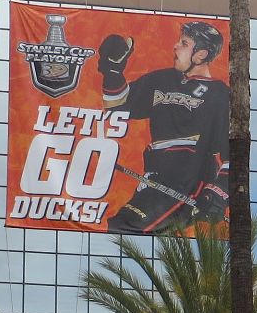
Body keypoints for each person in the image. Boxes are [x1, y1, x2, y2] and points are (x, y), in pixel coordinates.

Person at [97, 19, 231, 235]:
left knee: (122, 228)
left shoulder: (220, 95)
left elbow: (231, 154)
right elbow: (117, 107)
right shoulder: (161, 79)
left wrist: (217, 194)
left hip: (188, 183)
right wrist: (112, 72)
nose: (175, 46)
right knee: (116, 230)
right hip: (154, 181)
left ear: (201, 55)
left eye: (184, 43)